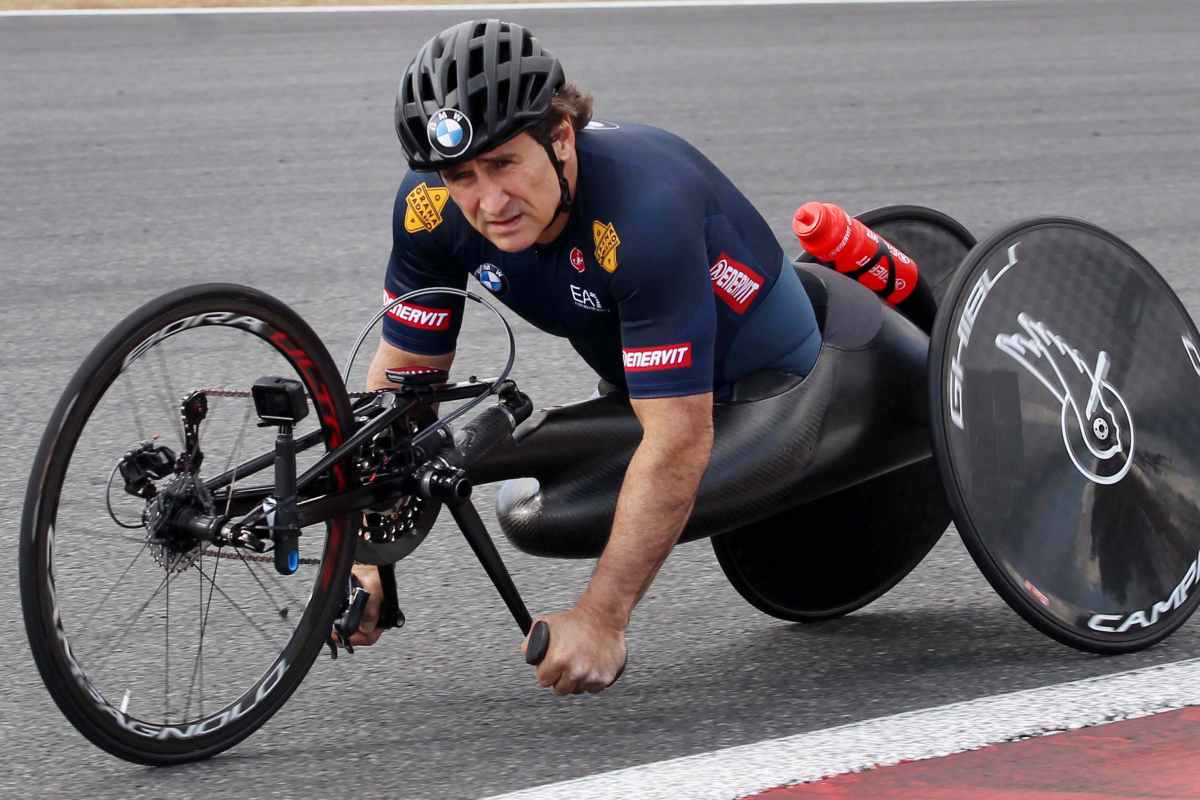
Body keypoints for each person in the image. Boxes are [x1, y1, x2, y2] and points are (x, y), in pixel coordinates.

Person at [344, 18, 822, 695]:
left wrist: (602, 618)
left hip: (767, 387)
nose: (489, 201)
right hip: (639, 388)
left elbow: (681, 438)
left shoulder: (642, 212)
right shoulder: (429, 209)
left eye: (506, 163)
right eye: (463, 175)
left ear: (561, 136)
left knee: (546, 514)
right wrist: (367, 556)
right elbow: (403, 390)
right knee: (508, 493)